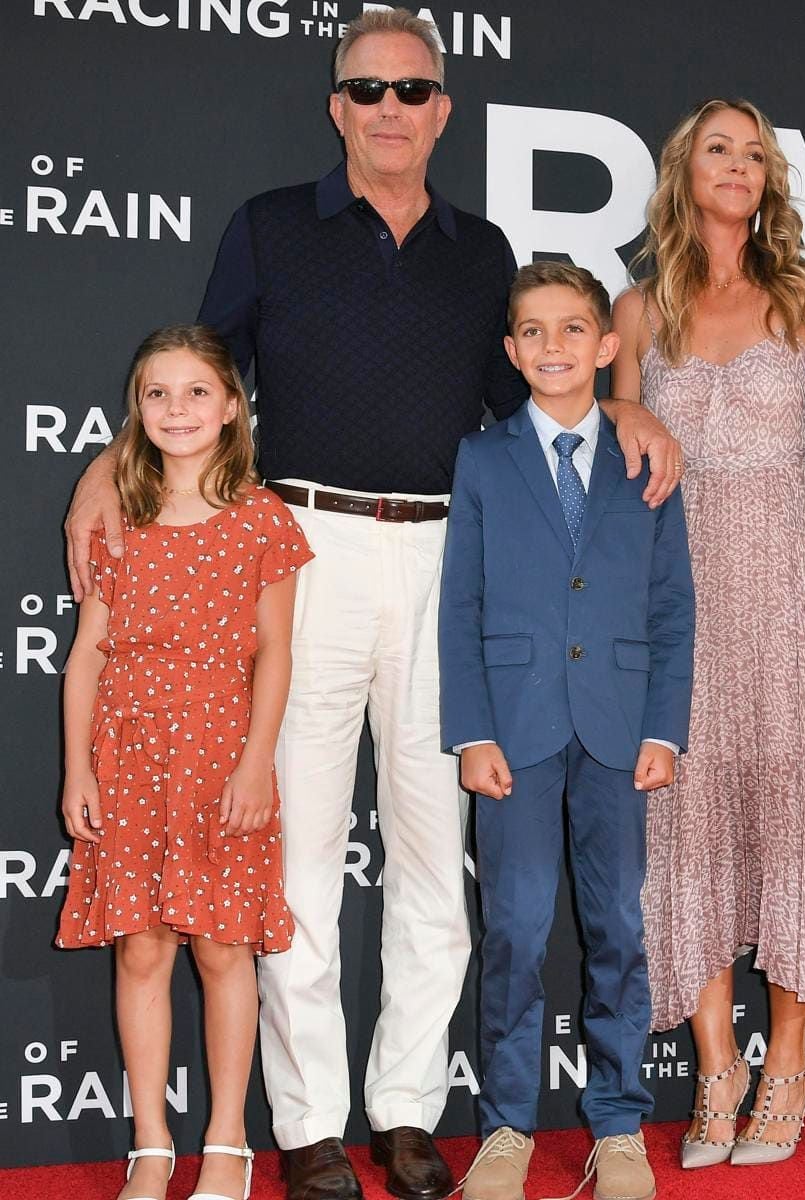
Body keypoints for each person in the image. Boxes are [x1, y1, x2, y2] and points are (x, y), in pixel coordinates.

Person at [62, 10, 680, 1199]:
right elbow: (197, 371)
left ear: (443, 109)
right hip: (300, 552)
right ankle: (304, 1126)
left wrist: (631, 408)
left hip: (449, 557)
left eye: (414, 89)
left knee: (433, 848)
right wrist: (105, 465)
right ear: (336, 105)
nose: (391, 108)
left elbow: (541, 393)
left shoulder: (482, 249)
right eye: (367, 89)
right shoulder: (270, 228)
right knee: (282, 849)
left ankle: (405, 1111)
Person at [610, 98, 805, 1169]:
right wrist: (620, 410)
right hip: (675, 588)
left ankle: (788, 1058)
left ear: (771, 178)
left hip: (792, 583)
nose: (737, 166)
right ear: (684, 172)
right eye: (717, 150)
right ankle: (715, 1063)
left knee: (791, 811)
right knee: (681, 817)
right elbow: (607, 447)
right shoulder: (637, 310)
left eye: (754, 153)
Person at [438, 262, 695, 1200]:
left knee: (618, 925)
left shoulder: (648, 461)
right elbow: (459, 603)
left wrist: (666, 728)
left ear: (608, 345)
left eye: (573, 329)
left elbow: (672, 606)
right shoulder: (482, 460)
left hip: (621, 732)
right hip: (515, 730)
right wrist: (471, 731)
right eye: (534, 332)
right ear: (511, 351)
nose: (554, 347)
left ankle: (618, 1123)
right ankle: (505, 1127)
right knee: (512, 929)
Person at [55, 324, 313, 1200]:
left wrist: (253, 765)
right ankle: (151, 1144)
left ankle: (229, 1143)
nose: (176, 409)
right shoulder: (114, 522)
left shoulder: (263, 519)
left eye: (196, 391)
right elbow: (87, 652)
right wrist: (76, 772)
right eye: (157, 394)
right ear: (137, 410)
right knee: (141, 951)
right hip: (125, 753)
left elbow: (275, 652)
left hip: (219, 751)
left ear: (232, 406)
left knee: (222, 950)